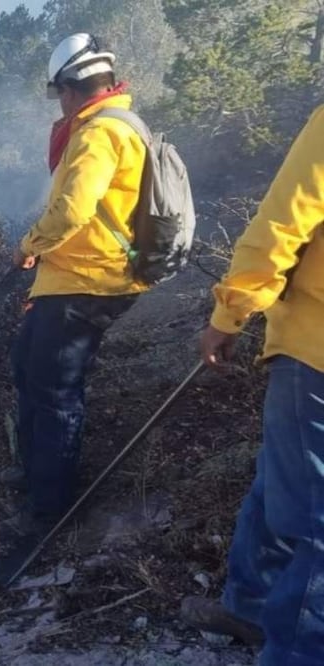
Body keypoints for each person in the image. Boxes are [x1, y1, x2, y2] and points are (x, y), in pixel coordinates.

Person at [180, 106, 324, 663]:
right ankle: (249, 607)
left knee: (316, 522)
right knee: (279, 482)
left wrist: (229, 314)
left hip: (315, 350)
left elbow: (283, 222)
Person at [5, 33, 150, 538]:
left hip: (86, 281)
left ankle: (51, 509)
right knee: (27, 366)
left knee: (55, 390)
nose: (58, 103)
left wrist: (29, 246)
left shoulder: (99, 133)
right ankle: (35, 472)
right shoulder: (111, 125)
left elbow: (71, 210)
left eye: (58, 93)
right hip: (73, 276)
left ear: (71, 87)